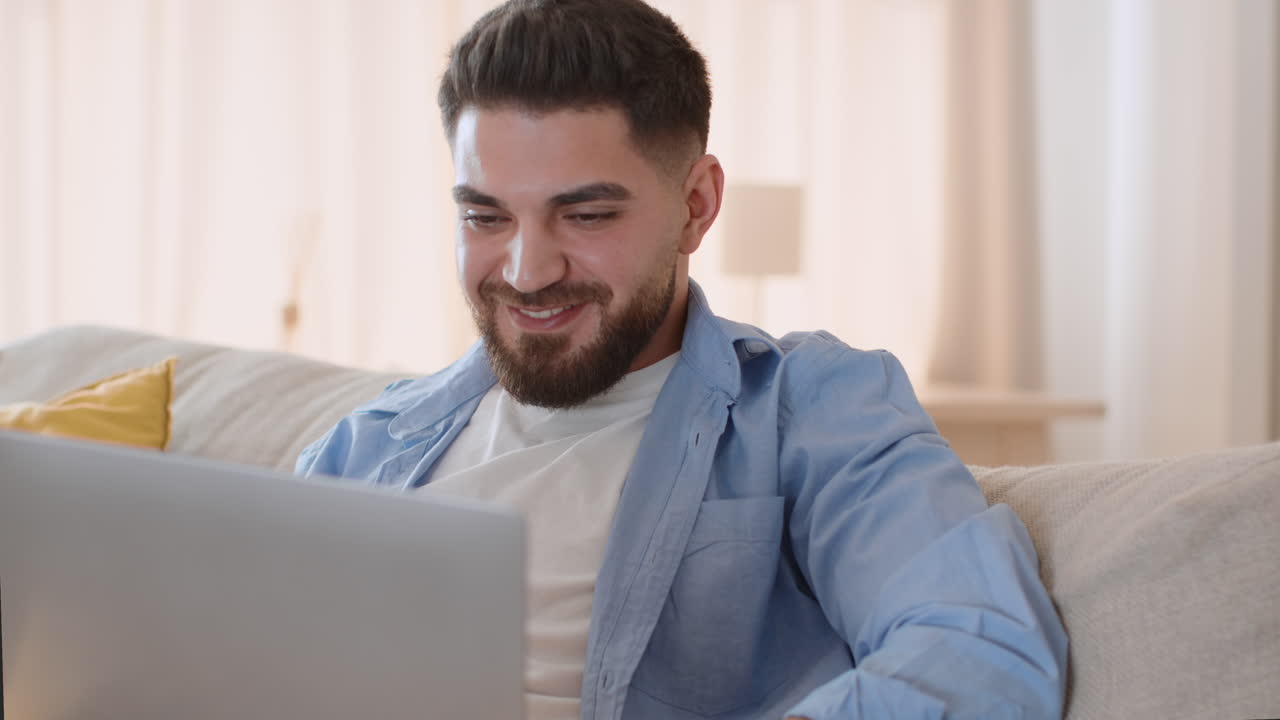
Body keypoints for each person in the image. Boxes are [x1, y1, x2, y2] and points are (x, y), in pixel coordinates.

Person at [296, 1, 1068, 718]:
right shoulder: (365, 447)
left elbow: (978, 653)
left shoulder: (811, 410)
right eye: (486, 216)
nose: (527, 273)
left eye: (586, 214)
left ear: (696, 205)